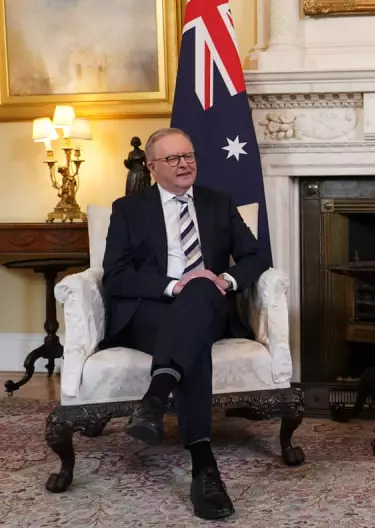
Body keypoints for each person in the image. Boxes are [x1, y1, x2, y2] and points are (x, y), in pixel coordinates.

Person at [101, 127, 270, 520]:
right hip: (150, 311)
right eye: (173, 158)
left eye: (188, 155)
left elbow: (255, 256)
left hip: (210, 305)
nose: (184, 164)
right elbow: (115, 276)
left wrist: (224, 280)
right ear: (151, 166)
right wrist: (174, 285)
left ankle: (156, 397)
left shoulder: (217, 202)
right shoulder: (128, 209)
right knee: (192, 338)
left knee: (201, 291)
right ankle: (204, 467)